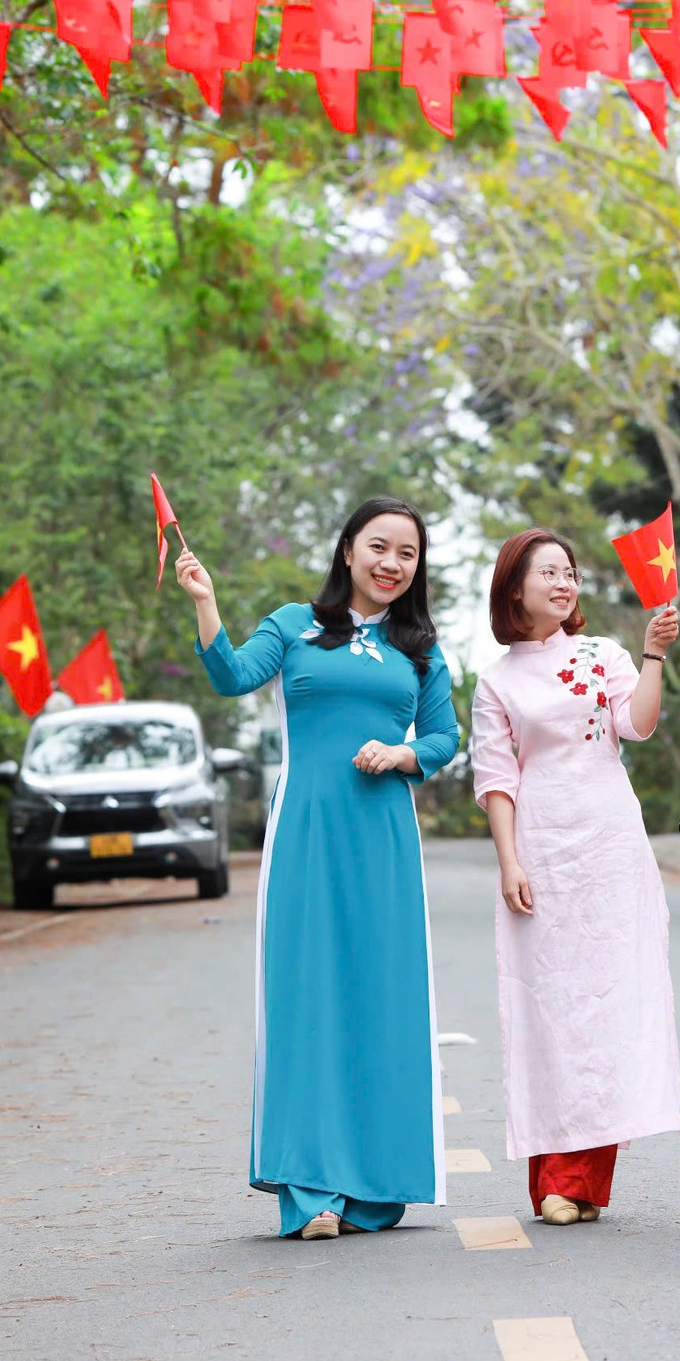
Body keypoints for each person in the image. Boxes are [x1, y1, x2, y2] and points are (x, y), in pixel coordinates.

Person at [175, 496, 459, 1241]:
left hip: (384, 840)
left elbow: (442, 735)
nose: (392, 563)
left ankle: (374, 1184)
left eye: (407, 553)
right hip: (304, 832)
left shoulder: (419, 644)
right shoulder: (293, 623)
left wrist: (404, 755)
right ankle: (311, 1190)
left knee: (381, 996)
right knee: (306, 998)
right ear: (347, 550)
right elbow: (233, 674)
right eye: (379, 546)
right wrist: (206, 603)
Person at [471, 527, 680, 1227]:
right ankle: (557, 1177)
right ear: (514, 590)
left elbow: (640, 724)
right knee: (551, 1009)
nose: (563, 583)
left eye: (570, 572)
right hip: (542, 849)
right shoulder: (498, 678)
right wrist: (509, 860)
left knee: (607, 1004)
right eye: (548, 573)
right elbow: (496, 777)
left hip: (610, 846)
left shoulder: (606, 655)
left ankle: (587, 1178)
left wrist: (653, 654)